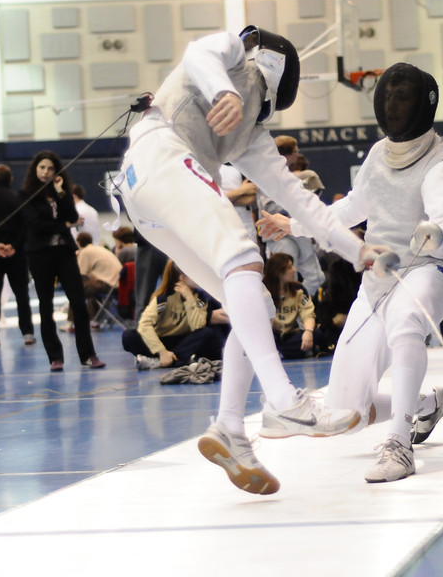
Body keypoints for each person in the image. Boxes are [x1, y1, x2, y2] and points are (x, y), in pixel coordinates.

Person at [115, 25, 395, 495]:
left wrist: (360, 251)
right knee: (243, 258)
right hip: (160, 153)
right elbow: (196, 53)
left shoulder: (252, 137)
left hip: (144, 194)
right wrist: (226, 89)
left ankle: (229, 428)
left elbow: (308, 209)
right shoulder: (228, 57)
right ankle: (283, 400)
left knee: (254, 301)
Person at [260, 62, 443, 483]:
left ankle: (400, 446)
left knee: (407, 322)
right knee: (347, 407)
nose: (392, 106)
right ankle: (426, 406)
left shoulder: (442, 164)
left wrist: (436, 233)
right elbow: (349, 209)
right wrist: (293, 224)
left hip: (430, 271)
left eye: (402, 98)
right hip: (378, 282)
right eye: (388, 97)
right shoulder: (377, 154)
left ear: (422, 106)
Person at [21, 151, 106, 372]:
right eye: (42, 168)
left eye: (50, 168)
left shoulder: (63, 192)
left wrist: (60, 192)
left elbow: (70, 214)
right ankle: (55, 357)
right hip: (39, 254)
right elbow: (37, 225)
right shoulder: (26, 194)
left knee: (78, 302)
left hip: (65, 252)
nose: (46, 172)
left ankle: (88, 355)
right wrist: (65, 225)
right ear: (35, 169)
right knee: (45, 304)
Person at [123, 259, 227, 370]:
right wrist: (162, 351)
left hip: (184, 341)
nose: (198, 277)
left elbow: (198, 326)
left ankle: (161, 362)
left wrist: (189, 299)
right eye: (193, 274)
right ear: (182, 278)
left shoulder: (200, 298)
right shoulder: (163, 298)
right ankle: (175, 359)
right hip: (161, 341)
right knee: (128, 336)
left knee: (207, 333)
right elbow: (144, 325)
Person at [256, 135, 326, 297]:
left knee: (316, 278)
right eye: (295, 151)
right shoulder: (268, 175)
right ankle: (284, 317)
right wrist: (297, 192)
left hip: (298, 230)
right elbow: (269, 208)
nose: (297, 155)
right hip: (279, 234)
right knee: (284, 279)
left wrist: (310, 192)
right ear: (286, 154)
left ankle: (302, 310)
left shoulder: (290, 176)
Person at [0, 164, 35, 346]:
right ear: (11, 179)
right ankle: (27, 332)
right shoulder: (18, 198)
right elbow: (26, 225)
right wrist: (13, 246)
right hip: (17, 253)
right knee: (22, 294)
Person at [263, 252, 327, 359]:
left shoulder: (298, 289)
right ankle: (290, 351)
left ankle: (281, 352)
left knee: (317, 334)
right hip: (270, 335)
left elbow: (308, 313)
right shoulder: (263, 291)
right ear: (278, 272)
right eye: (289, 267)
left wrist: (308, 331)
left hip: (290, 334)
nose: (294, 270)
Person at [75, 231, 123, 320]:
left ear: (78, 243)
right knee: (90, 289)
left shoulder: (85, 252)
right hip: (118, 284)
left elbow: (80, 273)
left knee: (75, 289)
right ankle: (95, 320)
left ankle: (73, 323)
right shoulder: (99, 248)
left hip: (109, 285)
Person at [218, 164, 259, 243]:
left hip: (245, 224)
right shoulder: (207, 167)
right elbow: (213, 199)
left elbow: (250, 198)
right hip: (223, 224)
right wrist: (242, 190)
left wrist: (225, 197)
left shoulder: (241, 166)